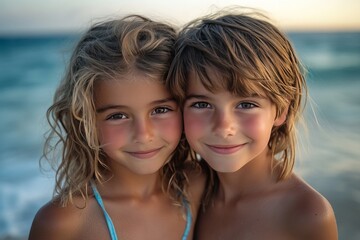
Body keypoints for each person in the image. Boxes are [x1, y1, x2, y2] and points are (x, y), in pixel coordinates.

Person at [29, 15, 204, 240]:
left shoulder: (199, 189)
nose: (143, 134)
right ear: (86, 120)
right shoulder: (64, 222)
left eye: (160, 110)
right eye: (118, 116)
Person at [167, 9, 338, 240]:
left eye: (246, 104)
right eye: (202, 104)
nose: (223, 127)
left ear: (280, 111)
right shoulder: (184, 190)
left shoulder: (307, 213)